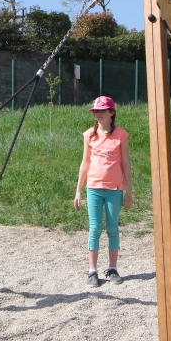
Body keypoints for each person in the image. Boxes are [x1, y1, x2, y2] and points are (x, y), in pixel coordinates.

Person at [73, 96, 133, 288]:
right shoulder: (89, 135)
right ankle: (92, 271)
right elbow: (85, 163)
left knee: (112, 228)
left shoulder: (121, 135)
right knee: (95, 228)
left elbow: (125, 163)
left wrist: (129, 191)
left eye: (102, 110)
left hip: (115, 189)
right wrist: (78, 191)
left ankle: (112, 268)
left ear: (111, 113)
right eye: (96, 111)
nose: (98, 114)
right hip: (94, 188)